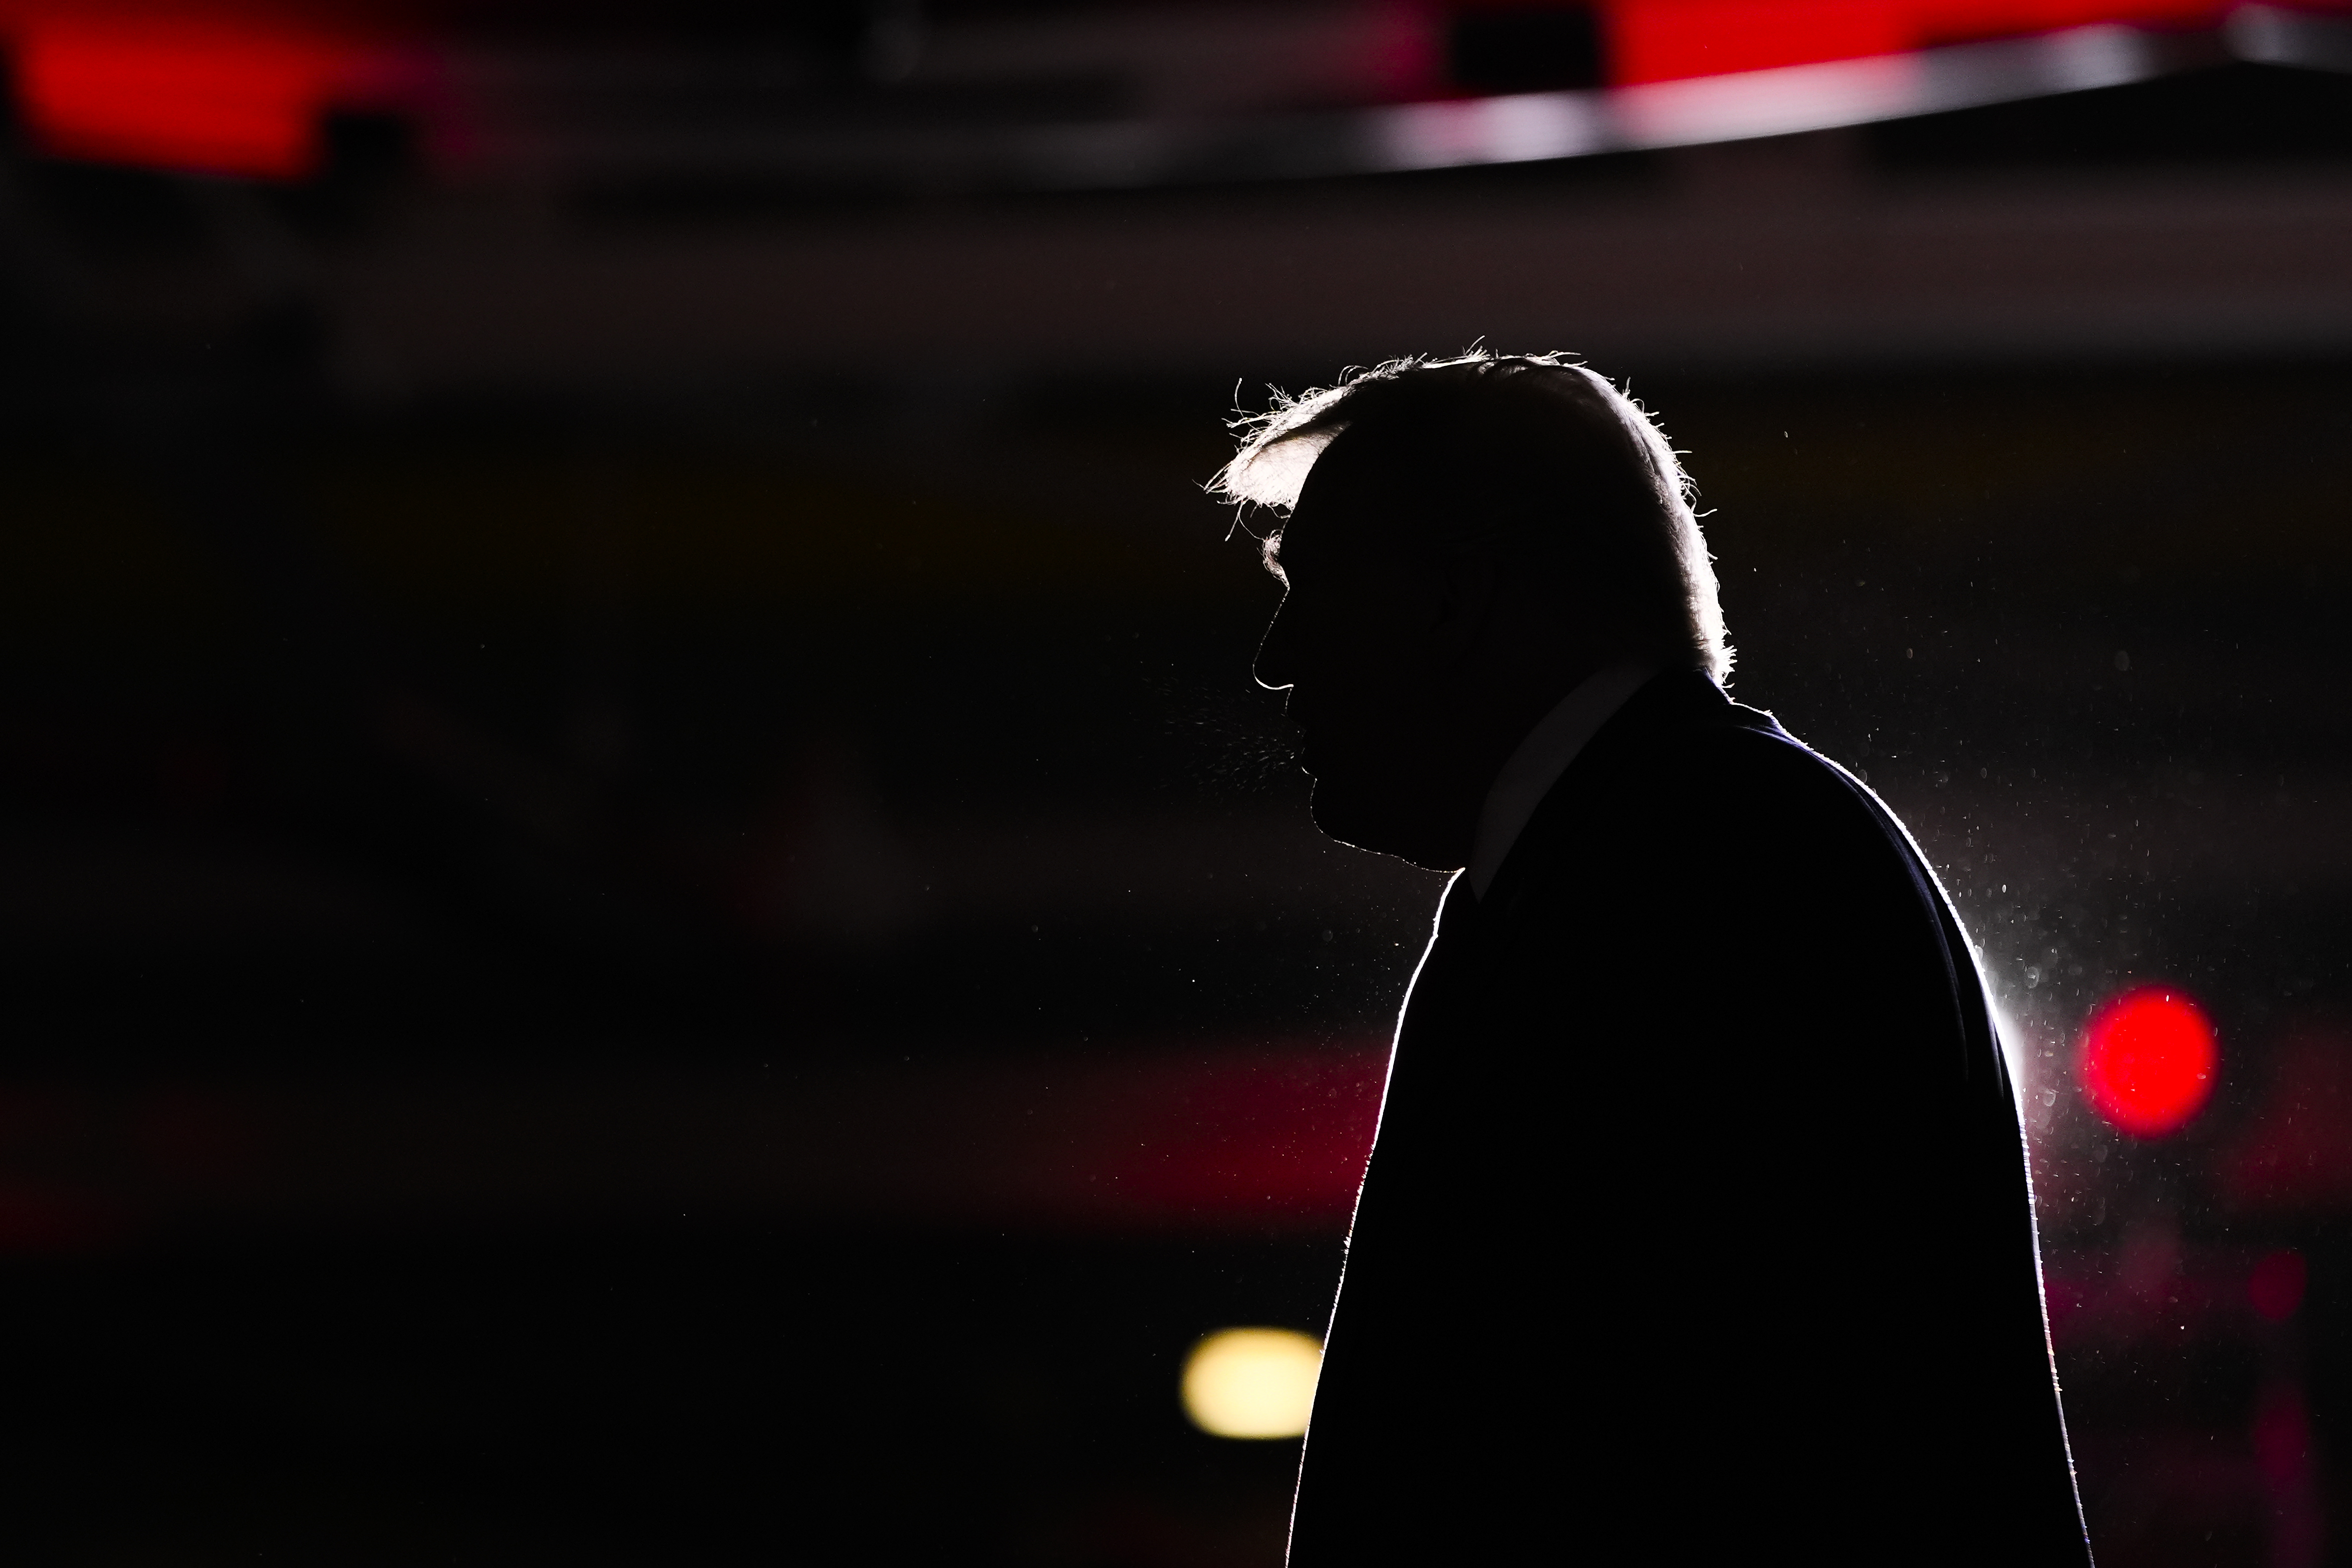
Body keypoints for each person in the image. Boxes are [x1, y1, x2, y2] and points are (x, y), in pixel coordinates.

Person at [1212, 353, 2092, 1566]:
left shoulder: (1708, 871)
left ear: (1458, 600)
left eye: (1313, 589)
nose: (1278, 654)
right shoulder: (1715, 848)